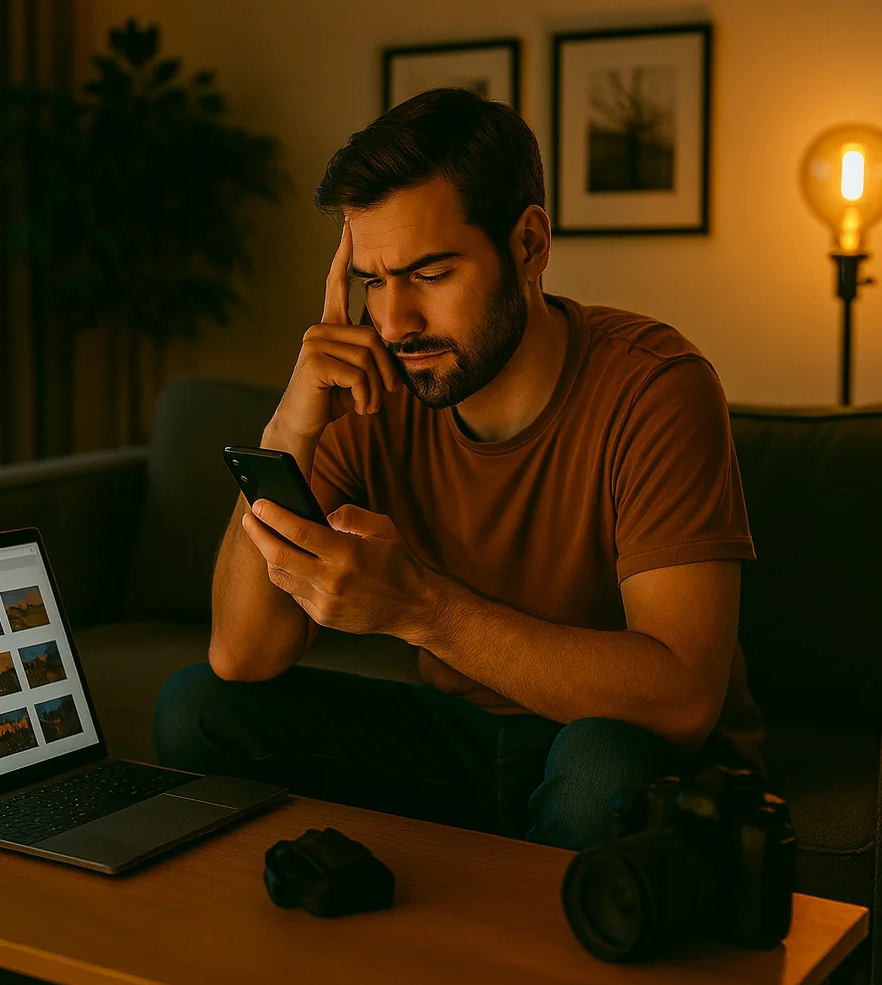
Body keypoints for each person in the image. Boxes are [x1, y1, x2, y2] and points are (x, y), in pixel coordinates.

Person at [152, 88, 764, 851]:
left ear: (530, 245)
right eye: (374, 281)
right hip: (463, 740)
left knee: (599, 769)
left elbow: (682, 697)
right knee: (197, 708)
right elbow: (243, 655)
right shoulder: (380, 388)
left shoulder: (655, 385)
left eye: (432, 274)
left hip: (619, 745)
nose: (397, 322)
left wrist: (420, 609)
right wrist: (291, 424)